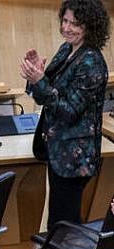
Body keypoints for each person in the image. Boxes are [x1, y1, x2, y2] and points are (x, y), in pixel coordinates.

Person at [21, 0, 109, 228]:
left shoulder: (92, 62)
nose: (67, 28)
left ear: (90, 27)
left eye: (75, 23)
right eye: (65, 20)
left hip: (74, 159)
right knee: (59, 224)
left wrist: (40, 82)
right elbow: (47, 92)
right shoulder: (67, 50)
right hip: (59, 152)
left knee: (63, 229)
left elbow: (69, 112)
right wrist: (36, 76)